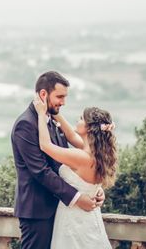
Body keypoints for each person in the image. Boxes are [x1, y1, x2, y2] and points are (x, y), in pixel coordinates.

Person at [11, 71, 105, 249]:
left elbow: (67, 164)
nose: (63, 102)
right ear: (43, 94)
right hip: (38, 211)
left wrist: (93, 189)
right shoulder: (25, 125)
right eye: (60, 96)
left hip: (60, 208)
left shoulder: (51, 119)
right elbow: (41, 171)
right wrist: (78, 198)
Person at [33, 94, 118, 249]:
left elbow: (45, 145)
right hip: (90, 218)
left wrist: (40, 113)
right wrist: (54, 110)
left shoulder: (81, 157)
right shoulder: (97, 154)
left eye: (81, 118)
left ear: (88, 128)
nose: (77, 121)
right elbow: (71, 135)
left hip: (72, 221)